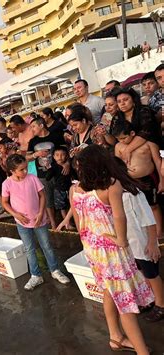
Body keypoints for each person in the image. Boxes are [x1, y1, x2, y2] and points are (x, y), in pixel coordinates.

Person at [70, 145, 153, 354]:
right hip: (111, 251)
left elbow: (80, 224)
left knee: (110, 291)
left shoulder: (76, 189)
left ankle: (115, 337)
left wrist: (91, 240)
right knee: (125, 300)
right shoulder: (111, 186)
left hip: (92, 249)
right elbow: (119, 216)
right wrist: (122, 240)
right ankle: (142, 351)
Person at [1, 154, 70, 291]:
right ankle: (35, 275)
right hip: (22, 223)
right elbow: (4, 202)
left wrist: (40, 213)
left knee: (47, 246)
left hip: (39, 220)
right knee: (29, 249)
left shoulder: (32, 178)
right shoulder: (7, 183)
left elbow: (42, 196)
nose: (25, 171)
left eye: (26, 168)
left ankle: (55, 270)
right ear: (12, 171)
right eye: (21, 170)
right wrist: (16, 215)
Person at [114, 158, 163, 323]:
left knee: (152, 275)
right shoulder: (117, 194)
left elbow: (149, 220)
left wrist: (152, 243)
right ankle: (150, 299)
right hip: (131, 245)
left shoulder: (135, 193)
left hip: (143, 244)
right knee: (141, 273)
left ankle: (161, 305)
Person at [112, 119, 163, 239]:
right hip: (130, 180)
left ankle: (159, 232)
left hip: (148, 178)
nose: (122, 141)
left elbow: (157, 162)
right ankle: (143, 232)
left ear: (132, 133)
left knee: (153, 205)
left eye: (124, 138)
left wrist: (162, 181)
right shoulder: (118, 146)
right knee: (135, 206)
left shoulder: (148, 144)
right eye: (119, 139)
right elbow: (118, 165)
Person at [26, 117, 66, 228]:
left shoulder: (56, 136)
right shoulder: (33, 141)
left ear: (41, 125)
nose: (32, 129)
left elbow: (65, 152)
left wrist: (66, 164)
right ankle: (53, 222)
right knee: (48, 199)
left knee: (62, 196)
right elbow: (27, 158)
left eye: (34, 126)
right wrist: (36, 155)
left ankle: (66, 221)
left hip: (58, 172)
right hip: (42, 174)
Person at [45, 146, 74, 229]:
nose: (60, 157)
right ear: (53, 157)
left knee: (70, 205)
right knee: (62, 207)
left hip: (69, 188)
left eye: (62, 155)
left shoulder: (69, 165)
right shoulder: (53, 166)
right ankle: (67, 222)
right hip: (59, 189)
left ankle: (70, 221)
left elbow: (73, 175)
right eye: (57, 155)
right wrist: (48, 169)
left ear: (67, 156)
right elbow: (48, 177)